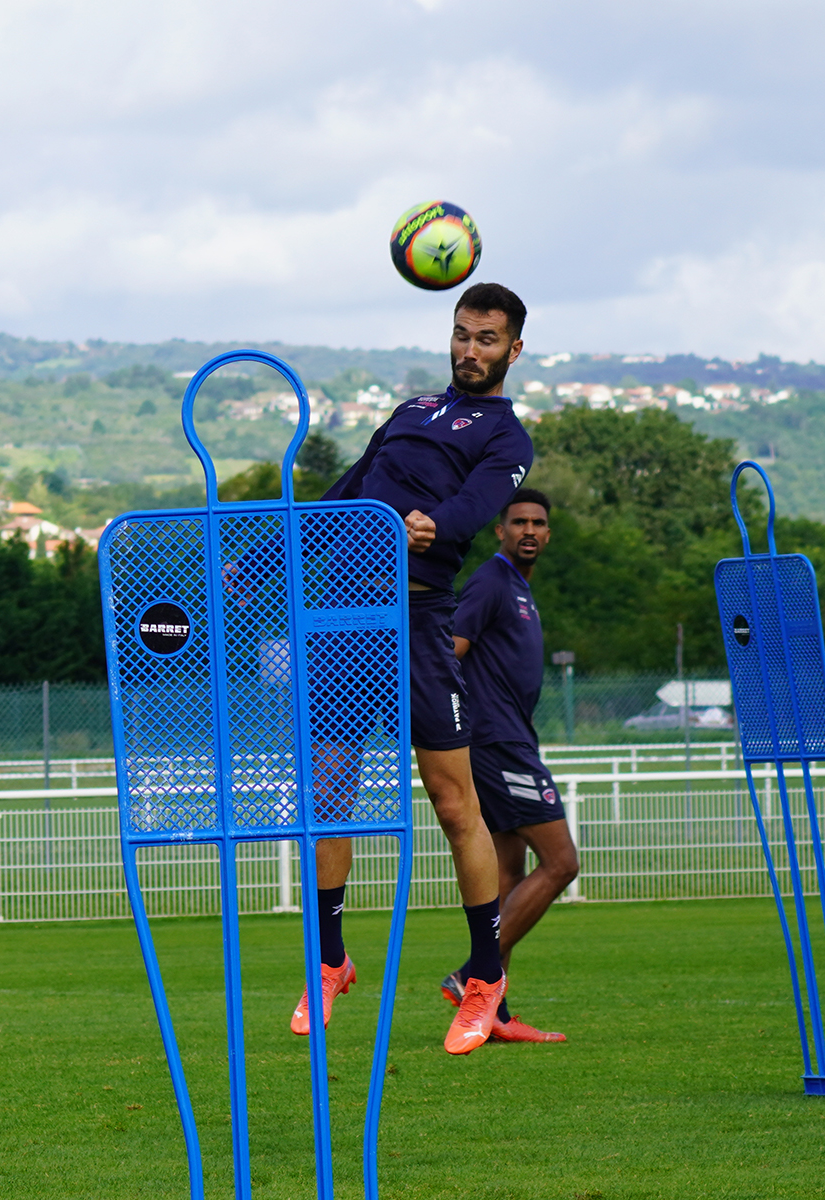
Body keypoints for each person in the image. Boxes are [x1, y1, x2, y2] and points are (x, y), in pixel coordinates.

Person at [285, 281, 534, 1055]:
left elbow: (474, 507)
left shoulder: (507, 439)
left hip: (421, 619)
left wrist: (437, 525)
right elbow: (345, 493)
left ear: (513, 350)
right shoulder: (410, 413)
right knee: (326, 799)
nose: (469, 349)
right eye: (461, 334)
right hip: (343, 621)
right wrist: (260, 560)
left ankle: (485, 980)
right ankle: (330, 962)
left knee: (455, 806)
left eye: (486, 338)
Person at [440, 488, 578, 1043]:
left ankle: (491, 1013)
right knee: (562, 862)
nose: (528, 530)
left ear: (547, 534)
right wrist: (453, 723)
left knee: (506, 877)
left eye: (538, 523)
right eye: (517, 520)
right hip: (498, 745)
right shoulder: (493, 581)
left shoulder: (519, 588)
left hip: (507, 741)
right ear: (499, 530)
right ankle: (475, 975)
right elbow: (450, 649)